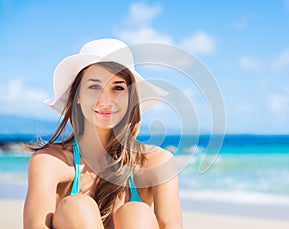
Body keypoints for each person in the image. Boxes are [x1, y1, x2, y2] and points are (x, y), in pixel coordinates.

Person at [23, 38, 182, 229]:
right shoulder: (51, 162)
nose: (106, 101)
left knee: (136, 212)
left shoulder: (156, 162)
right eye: (94, 86)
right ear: (78, 95)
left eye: (118, 88)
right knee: (77, 206)